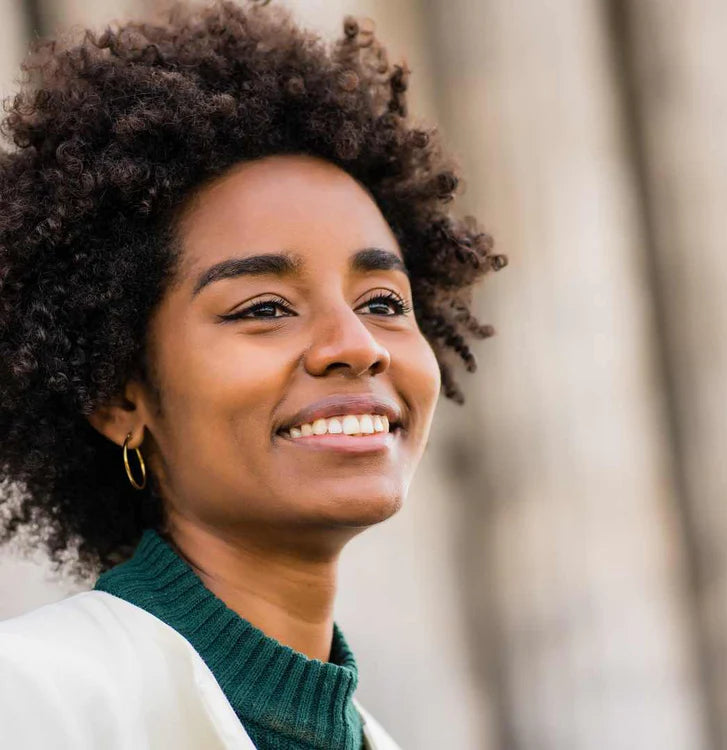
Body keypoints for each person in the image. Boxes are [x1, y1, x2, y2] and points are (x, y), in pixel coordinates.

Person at [0, 1, 505, 748]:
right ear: (120, 394)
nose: (355, 343)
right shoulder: (33, 702)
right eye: (265, 307)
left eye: (384, 301)